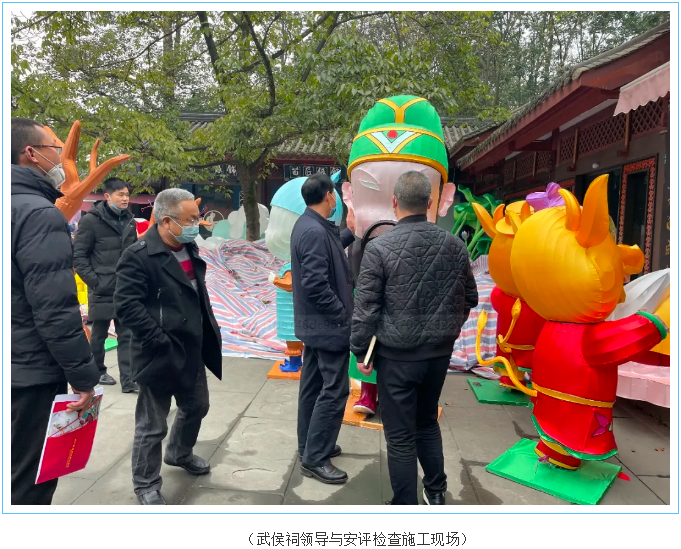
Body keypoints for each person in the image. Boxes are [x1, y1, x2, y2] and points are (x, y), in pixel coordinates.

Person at [350, 171, 478, 505]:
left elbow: (366, 308)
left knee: (400, 436)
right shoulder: (455, 245)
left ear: (394, 202)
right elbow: (470, 298)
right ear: (430, 202)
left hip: (397, 357)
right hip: (437, 356)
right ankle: (436, 492)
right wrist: (447, 330)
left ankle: (404, 505)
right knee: (426, 423)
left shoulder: (379, 248)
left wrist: (361, 352)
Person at [10, 117, 100, 505]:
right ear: (31, 153)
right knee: (27, 483)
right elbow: (55, 309)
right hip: (27, 373)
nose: (62, 158)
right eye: (56, 149)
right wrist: (83, 377)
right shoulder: (38, 214)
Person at [114, 188, 223, 505]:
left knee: (197, 406)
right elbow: (127, 307)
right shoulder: (138, 255)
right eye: (190, 220)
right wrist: (158, 339)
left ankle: (179, 452)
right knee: (152, 425)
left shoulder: (189, 247)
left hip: (192, 346)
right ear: (165, 221)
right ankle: (146, 483)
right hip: (158, 352)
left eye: (197, 218)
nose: (196, 225)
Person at [291, 172, 355, 484]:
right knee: (335, 389)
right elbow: (315, 284)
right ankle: (315, 458)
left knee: (313, 386)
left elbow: (328, 251)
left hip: (315, 325)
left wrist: (350, 232)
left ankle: (310, 444)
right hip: (327, 326)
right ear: (329, 195)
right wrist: (341, 314)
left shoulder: (309, 224)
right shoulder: (314, 230)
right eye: (335, 195)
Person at [73, 177, 138, 391]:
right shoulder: (91, 221)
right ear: (107, 196)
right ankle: (98, 371)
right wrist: (96, 282)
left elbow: (133, 253)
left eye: (127, 194)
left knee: (127, 334)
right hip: (101, 287)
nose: (125, 198)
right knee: (99, 334)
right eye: (121, 194)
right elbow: (79, 256)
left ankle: (129, 380)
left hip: (125, 288)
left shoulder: (129, 220)